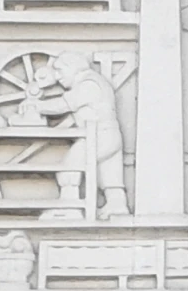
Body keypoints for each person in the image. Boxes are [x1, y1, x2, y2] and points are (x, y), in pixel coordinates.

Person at [33, 50, 126, 217]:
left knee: (70, 165)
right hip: (108, 134)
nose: (57, 76)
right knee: (108, 171)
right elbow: (75, 117)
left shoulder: (88, 84)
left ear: (73, 68)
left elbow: (64, 104)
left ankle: (70, 206)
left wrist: (36, 106)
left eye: (60, 71)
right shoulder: (93, 82)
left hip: (100, 136)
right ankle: (116, 205)